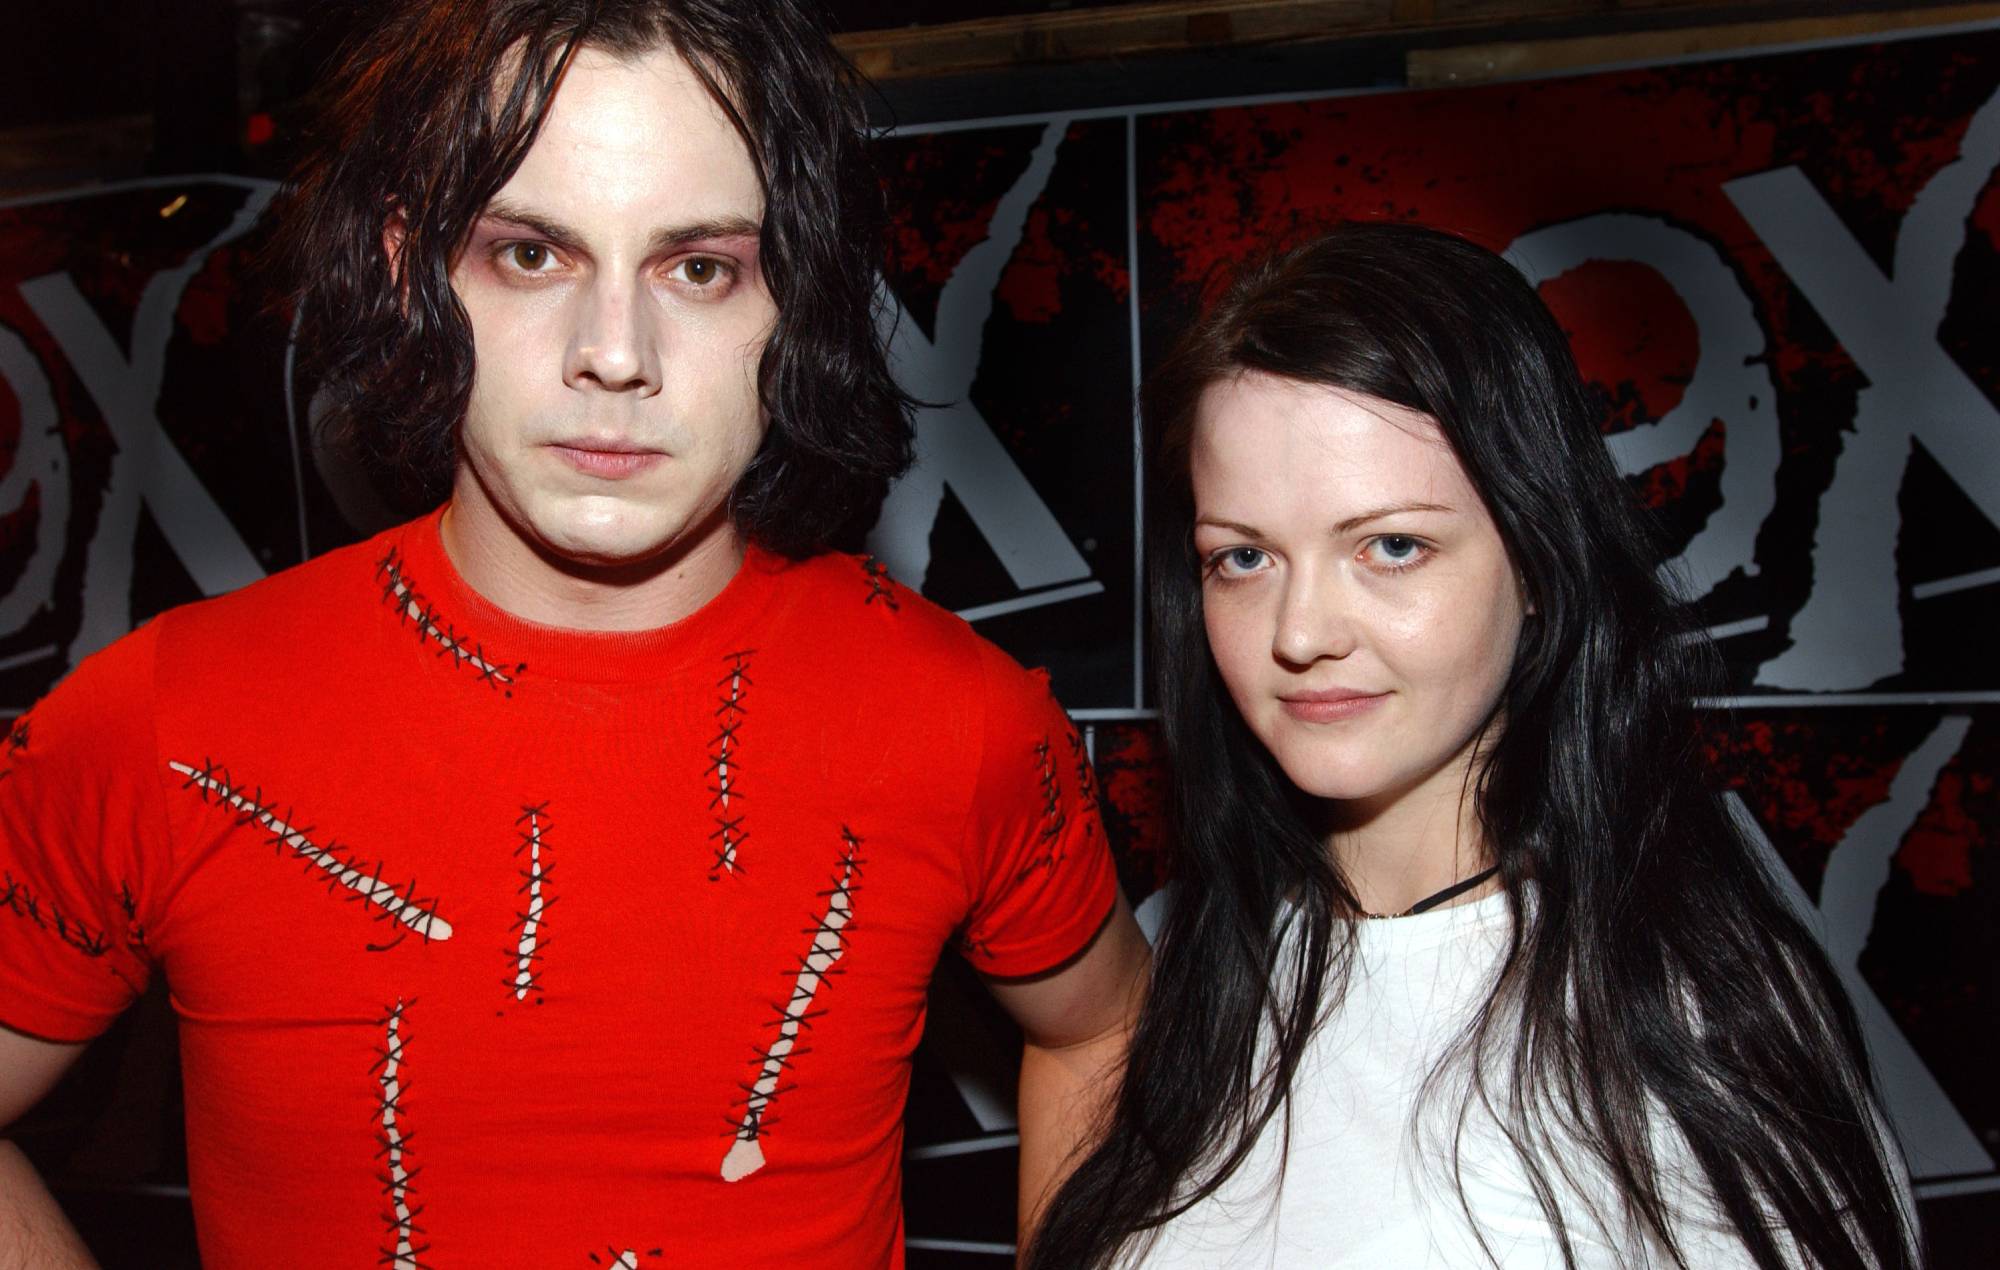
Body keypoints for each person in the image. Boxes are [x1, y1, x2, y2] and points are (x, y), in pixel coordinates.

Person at [0, 2, 1147, 1266]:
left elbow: (1101, 1026)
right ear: (408, 264)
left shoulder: (962, 715)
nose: (615, 353)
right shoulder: (161, 720)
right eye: (531, 256)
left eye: (698, 267)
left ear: (793, 297)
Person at [1025, 222, 1917, 1269]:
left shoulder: (1698, 1035)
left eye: (1390, 546)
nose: (1301, 631)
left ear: (1537, 559)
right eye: (1243, 557)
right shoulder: (1185, 995)